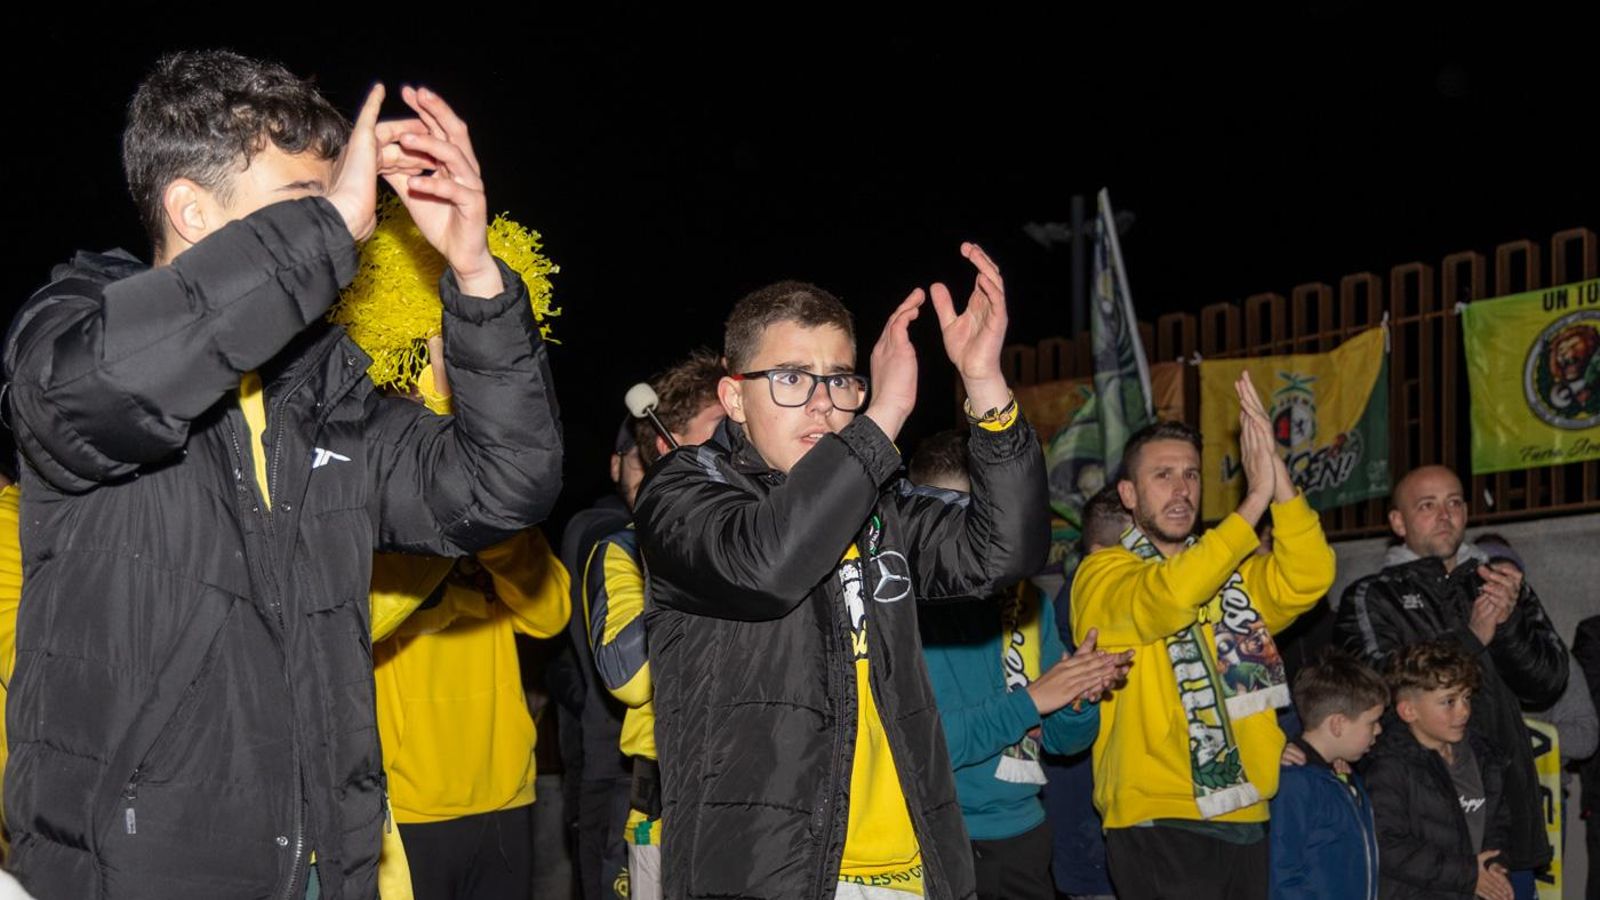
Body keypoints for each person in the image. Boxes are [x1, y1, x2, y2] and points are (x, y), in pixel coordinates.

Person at [2, 51, 562, 899]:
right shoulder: (77, 328)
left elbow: (504, 484)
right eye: (308, 203)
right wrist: (327, 228)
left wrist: (476, 276)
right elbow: (98, 394)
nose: (353, 225)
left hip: (322, 867)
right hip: (139, 871)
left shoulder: (324, 393)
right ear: (191, 210)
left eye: (339, 204)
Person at [636, 247, 1049, 899]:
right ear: (734, 398)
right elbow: (767, 565)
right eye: (791, 379)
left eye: (839, 381)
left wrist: (984, 383)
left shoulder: (880, 506)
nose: (823, 405)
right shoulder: (683, 491)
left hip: (912, 870)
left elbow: (1005, 551)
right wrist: (883, 418)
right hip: (771, 880)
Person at [1070, 374, 1336, 900]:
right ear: (1128, 494)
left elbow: (1309, 576)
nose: (1182, 489)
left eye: (1191, 474)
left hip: (1245, 810)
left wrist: (1276, 474)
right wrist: (1252, 503)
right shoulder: (1103, 574)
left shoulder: (1228, 576)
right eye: (1163, 475)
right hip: (1157, 816)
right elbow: (1170, 598)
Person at [909, 430, 1123, 900]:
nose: (968, 532)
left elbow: (1065, 743)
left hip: (1023, 834)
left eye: (980, 514)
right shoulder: (901, 608)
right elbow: (924, 749)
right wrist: (1032, 701)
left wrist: (1079, 696)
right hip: (931, 835)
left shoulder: (1026, 600)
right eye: (949, 515)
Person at [1334, 466, 1566, 891]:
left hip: (1506, 815)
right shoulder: (1373, 595)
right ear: (1398, 522)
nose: (1445, 515)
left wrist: (1509, 625)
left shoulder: (1499, 583)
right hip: (1421, 830)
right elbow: (1373, 688)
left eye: (1454, 502)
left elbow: (1548, 682)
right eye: (1427, 506)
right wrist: (1470, 638)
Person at [583, 350, 725, 900]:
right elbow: (629, 677)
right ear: (669, 446)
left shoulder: (773, 540)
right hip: (669, 823)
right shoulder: (623, 551)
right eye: (723, 427)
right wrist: (685, 552)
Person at [1363, 641, 1514, 900]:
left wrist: (1494, 864)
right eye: (1448, 702)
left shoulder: (1483, 756)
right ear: (1409, 711)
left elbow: (1497, 822)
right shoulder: (1390, 765)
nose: (1464, 711)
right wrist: (1468, 875)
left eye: (1466, 697)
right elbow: (1387, 845)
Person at [1268, 651, 1386, 900]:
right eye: (1372, 722)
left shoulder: (1341, 775)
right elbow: (1283, 875)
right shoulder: (1294, 784)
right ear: (1337, 724)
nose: (1379, 730)